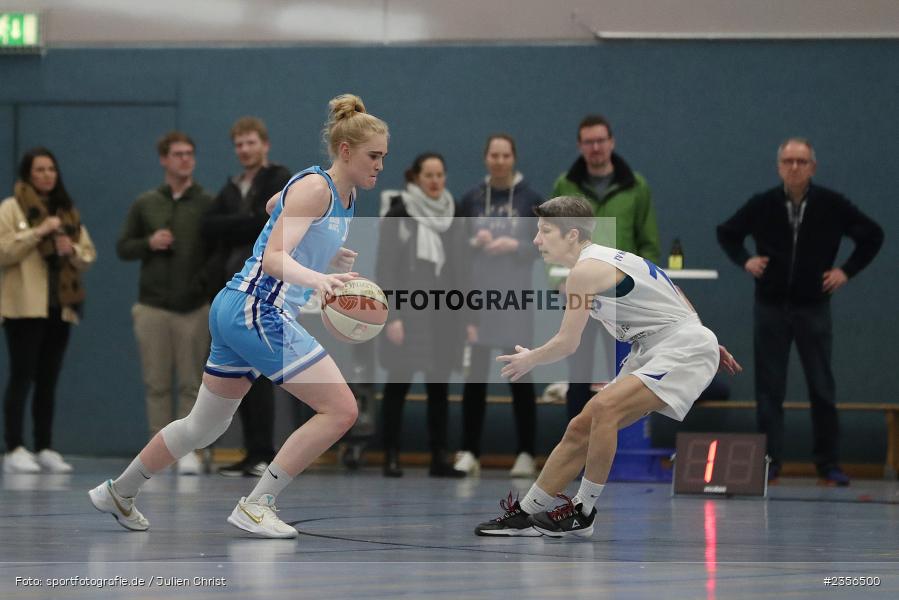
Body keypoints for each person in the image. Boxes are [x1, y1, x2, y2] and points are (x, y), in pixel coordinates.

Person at [90, 93, 387, 538]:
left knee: (203, 426)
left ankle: (120, 490)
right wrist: (318, 279)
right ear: (345, 151)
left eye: (383, 156)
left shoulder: (339, 196)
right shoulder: (315, 187)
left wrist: (325, 249)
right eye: (374, 156)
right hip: (258, 308)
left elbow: (273, 207)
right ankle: (257, 504)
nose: (380, 165)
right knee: (341, 409)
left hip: (236, 309)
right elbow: (272, 258)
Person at [475, 196, 740, 538]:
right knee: (580, 426)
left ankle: (583, 510)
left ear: (572, 235)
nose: (536, 240)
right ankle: (526, 514)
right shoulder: (605, 260)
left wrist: (530, 358)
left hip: (679, 347)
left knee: (605, 408)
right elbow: (675, 292)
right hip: (659, 345)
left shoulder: (585, 270)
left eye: (544, 231)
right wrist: (703, 337)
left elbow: (567, 342)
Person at [717, 138, 883, 486]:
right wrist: (745, 260)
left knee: (822, 386)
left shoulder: (831, 205)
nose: (794, 167)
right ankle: (770, 463)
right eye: (788, 161)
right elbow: (728, 232)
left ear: (813, 167)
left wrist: (846, 271)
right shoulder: (763, 204)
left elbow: (872, 235)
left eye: (802, 161)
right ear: (779, 166)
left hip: (813, 306)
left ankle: (828, 463)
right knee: (769, 389)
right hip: (771, 305)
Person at [116, 131, 214, 475]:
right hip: (152, 307)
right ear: (164, 159)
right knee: (156, 384)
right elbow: (123, 246)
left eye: (190, 153)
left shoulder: (207, 203)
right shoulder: (146, 203)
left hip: (193, 307)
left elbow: (215, 254)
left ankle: (188, 451)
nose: (184, 159)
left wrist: (200, 291)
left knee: (192, 383)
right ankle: (157, 453)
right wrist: (148, 242)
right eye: (177, 154)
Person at [551, 114, 660, 420]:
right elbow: (551, 238)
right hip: (581, 295)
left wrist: (644, 288)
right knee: (580, 375)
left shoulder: (636, 187)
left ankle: (619, 452)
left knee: (625, 374)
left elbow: (648, 243)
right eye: (589, 142)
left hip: (623, 298)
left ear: (611, 142)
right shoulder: (565, 184)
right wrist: (557, 279)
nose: (596, 147)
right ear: (580, 146)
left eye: (601, 140)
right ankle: (575, 453)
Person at [203, 117, 292, 478]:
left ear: (265, 144)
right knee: (235, 377)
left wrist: (240, 222)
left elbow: (265, 222)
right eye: (239, 144)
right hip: (231, 288)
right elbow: (208, 226)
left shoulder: (278, 179)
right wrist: (245, 220)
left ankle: (264, 452)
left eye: (250, 143)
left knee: (261, 373)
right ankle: (249, 451)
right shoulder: (230, 187)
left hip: (264, 290)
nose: (245, 150)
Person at [0, 148, 97, 474]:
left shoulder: (66, 212)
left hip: (60, 306)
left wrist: (72, 251)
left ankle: (44, 446)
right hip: (24, 308)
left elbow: (87, 254)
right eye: (39, 169)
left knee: (48, 380)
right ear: (28, 173)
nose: (46, 175)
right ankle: (14, 446)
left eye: (51, 169)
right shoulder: (11, 209)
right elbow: (3, 250)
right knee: (22, 376)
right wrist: (37, 233)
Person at [453, 134, 542, 477]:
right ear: (486, 158)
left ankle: (525, 453)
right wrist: (476, 240)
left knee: (520, 375)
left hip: (515, 302)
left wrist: (516, 246)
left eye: (506, 154)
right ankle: (470, 451)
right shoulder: (472, 199)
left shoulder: (532, 199)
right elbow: (457, 246)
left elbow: (543, 245)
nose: (500, 160)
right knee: (474, 379)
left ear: (514, 158)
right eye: (494, 154)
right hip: (478, 303)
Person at [376, 153, 465, 478]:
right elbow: (385, 268)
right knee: (398, 385)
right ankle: (391, 454)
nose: (435, 181)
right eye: (428, 175)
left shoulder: (454, 215)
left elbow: (460, 268)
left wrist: (466, 317)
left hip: (444, 315)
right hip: (408, 313)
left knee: (439, 388)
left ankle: (439, 457)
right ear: (416, 177)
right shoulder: (399, 214)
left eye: (440, 174)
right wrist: (392, 316)